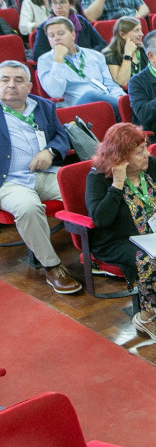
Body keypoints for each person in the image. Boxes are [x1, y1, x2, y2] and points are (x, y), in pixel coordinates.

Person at [87, 123, 156, 343]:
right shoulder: (98, 178)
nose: (146, 154)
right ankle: (149, 316)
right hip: (118, 241)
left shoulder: (151, 166)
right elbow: (101, 219)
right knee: (147, 259)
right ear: (121, 157)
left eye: (145, 148)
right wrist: (117, 184)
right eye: (139, 152)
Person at [0, 60, 81, 294]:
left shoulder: (43, 106)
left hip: (44, 173)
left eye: (18, 80)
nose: (11, 85)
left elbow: (61, 137)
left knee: (84, 189)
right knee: (27, 206)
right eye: (5, 80)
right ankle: (52, 266)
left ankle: (97, 252)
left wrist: (51, 151)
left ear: (29, 85)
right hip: (9, 180)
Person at [36, 17, 125, 114]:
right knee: (91, 95)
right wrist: (58, 59)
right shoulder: (45, 61)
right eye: (51, 36)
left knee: (127, 101)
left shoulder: (95, 55)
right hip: (77, 109)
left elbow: (110, 84)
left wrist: (120, 97)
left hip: (107, 102)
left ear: (73, 34)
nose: (56, 38)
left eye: (61, 33)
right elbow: (55, 93)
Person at [31, 0, 107, 59]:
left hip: (86, 62)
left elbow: (102, 44)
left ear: (71, 4)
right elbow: (38, 54)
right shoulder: (45, 27)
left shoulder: (81, 21)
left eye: (62, 2)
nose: (58, 6)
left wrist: (85, 55)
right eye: (54, 3)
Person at [102, 17, 146, 88]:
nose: (141, 34)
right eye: (136, 30)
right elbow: (123, 82)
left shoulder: (143, 50)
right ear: (123, 35)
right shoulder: (110, 55)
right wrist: (128, 55)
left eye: (140, 30)